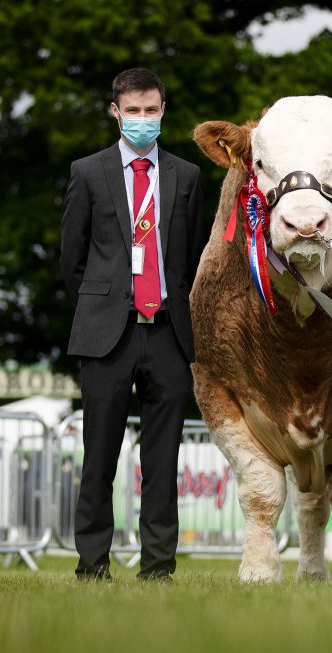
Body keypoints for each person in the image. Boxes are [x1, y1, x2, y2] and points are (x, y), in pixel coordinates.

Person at [60, 68, 207, 582]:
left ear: (163, 111)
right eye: (133, 111)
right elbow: (71, 261)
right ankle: (92, 564)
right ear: (115, 112)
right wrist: (105, 302)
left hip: (167, 331)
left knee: (162, 461)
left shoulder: (187, 177)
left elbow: (187, 261)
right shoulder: (88, 172)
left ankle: (158, 569)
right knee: (99, 455)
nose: (143, 120)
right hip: (107, 333)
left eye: (152, 110)